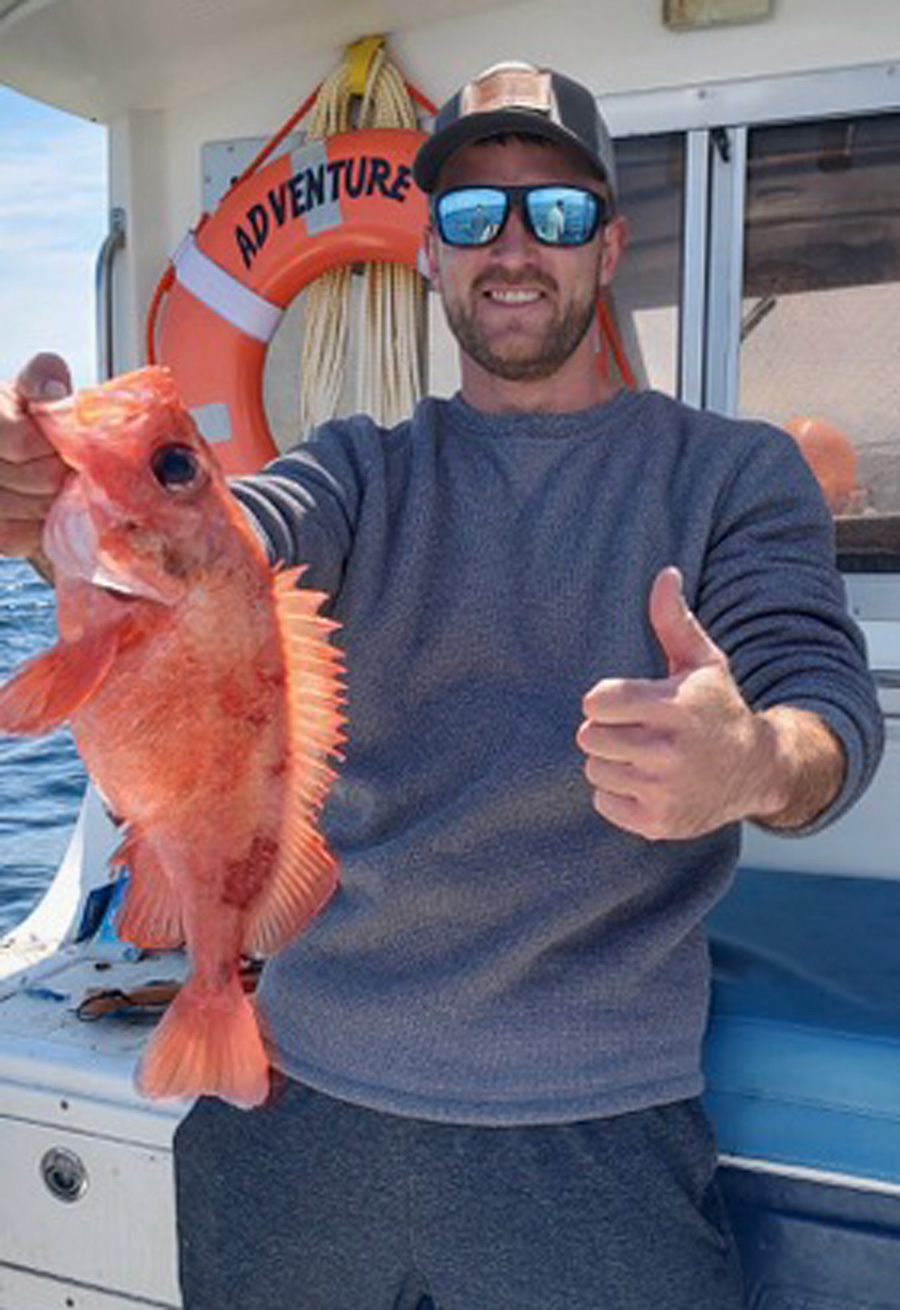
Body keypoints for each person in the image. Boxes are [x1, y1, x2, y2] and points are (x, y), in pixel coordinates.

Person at [0, 60, 883, 1310]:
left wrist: (750, 761)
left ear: (610, 246)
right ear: (430, 254)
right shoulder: (360, 466)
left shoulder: (733, 476)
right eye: (473, 214)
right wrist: (77, 513)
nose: (514, 246)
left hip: (594, 1136)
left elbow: (826, 709)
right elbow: (250, 537)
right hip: (296, 1103)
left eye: (557, 212)